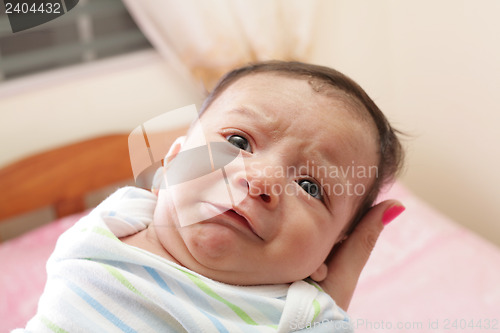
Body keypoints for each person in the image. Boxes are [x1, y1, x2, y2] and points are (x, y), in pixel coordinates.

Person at [15, 61, 405, 332]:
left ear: (329, 255)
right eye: (238, 141)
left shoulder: (303, 317)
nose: (260, 180)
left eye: (310, 186)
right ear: (169, 162)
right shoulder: (121, 218)